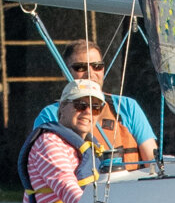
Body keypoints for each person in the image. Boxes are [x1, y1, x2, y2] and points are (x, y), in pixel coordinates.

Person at [29, 36, 158, 169]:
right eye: (80, 67)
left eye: (97, 66)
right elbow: (46, 164)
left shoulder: (127, 107)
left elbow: (152, 163)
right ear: (64, 72)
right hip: (78, 187)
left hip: (129, 187)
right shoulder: (49, 115)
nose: (90, 74)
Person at [23, 81, 104, 203]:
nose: (88, 112)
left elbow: (30, 192)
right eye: (80, 105)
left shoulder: (88, 147)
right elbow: (66, 186)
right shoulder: (48, 142)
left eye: (96, 107)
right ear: (62, 108)